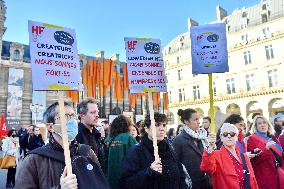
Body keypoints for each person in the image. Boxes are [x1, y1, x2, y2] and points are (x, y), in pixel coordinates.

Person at [15, 101, 109, 189]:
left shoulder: (87, 152)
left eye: (73, 116)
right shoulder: (34, 160)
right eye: (66, 117)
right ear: (50, 127)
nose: (72, 121)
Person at [119, 112, 188, 189]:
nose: (162, 129)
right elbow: (126, 183)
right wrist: (149, 172)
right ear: (146, 129)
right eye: (156, 125)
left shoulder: (170, 148)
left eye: (164, 125)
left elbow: (180, 176)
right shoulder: (136, 151)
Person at [200, 123, 259, 189]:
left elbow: (253, 181)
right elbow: (207, 169)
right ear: (221, 138)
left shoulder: (244, 157)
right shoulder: (216, 155)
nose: (229, 136)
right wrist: (210, 147)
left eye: (232, 134)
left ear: (236, 137)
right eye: (225, 134)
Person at [173, 109, 212, 189]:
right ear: (186, 121)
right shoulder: (179, 140)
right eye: (195, 119)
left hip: (207, 182)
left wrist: (212, 146)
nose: (199, 122)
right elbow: (175, 165)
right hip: (191, 184)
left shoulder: (202, 136)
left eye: (199, 119)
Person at [247, 115, 283, 189]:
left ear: (268, 125)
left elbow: (280, 155)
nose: (262, 125)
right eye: (259, 123)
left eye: (264, 123)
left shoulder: (273, 137)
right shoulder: (251, 139)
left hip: (278, 173)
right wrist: (266, 149)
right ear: (256, 126)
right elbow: (252, 161)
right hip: (264, 176)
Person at [105, 115, 137, 189]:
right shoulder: (128, 138)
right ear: (126, 125)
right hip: (125, 178)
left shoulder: (107, 140)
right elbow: (137, 156)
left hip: (110, 177)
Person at [76, 98, 105, 167]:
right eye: (93, 112)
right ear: (82, 115)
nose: (97, 115)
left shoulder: (96, 134)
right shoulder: (77, 135)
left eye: (97, 112)